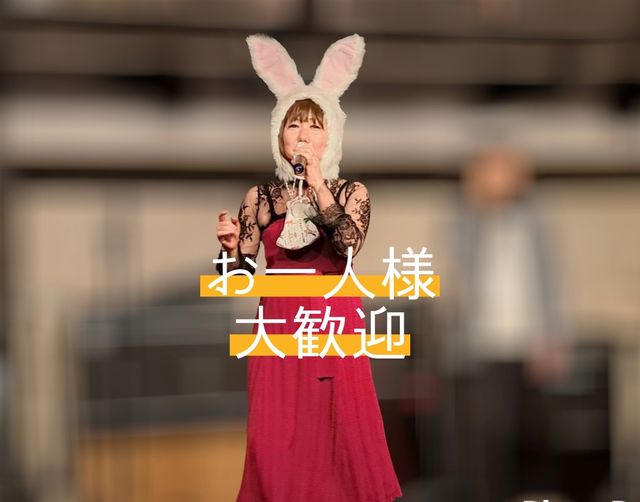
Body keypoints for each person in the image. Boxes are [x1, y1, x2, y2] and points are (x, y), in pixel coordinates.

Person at [216, 34, 403, 501]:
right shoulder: (260, 197)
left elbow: (348, 244)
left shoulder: (351, 192)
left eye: (315, 126)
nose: (303, 135)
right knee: (275, 443)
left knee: (340, 442)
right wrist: (229, 248)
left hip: (333, 325)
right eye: (293, 125)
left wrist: (319, 183)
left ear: (332, 135)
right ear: (278, 135)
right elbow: (237, 277)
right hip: (278, 328)